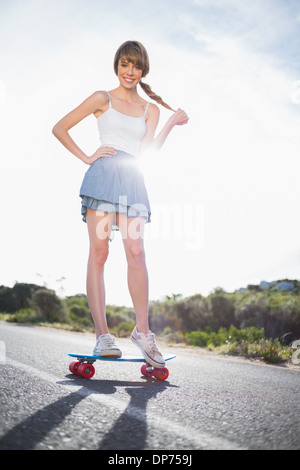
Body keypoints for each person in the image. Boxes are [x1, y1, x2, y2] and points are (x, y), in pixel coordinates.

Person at [52, 40, 188, 368]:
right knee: (100, 253)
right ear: (117, 65)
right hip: (102, 179)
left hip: (132, 181)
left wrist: (170, 123)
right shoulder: (103, 98)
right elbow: (60, 127)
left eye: (137, 66)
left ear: (144, 71)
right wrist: (86, 156)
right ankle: (103, 335)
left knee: (137, 252)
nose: (130, 72)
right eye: (125, 64)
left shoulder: (150, 109)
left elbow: (148, 152)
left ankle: (143, 332)